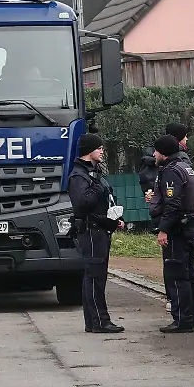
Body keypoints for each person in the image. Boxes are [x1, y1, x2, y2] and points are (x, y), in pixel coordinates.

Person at [67, 134, 125, 334]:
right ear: (88, 150)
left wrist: (113, 219)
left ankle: (95, 321)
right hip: (91, 232)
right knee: (94, 277)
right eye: (98, 148)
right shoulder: (78, 176)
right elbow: (82, 204)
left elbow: (102, 202)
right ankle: (99, 321)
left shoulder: (94, 173)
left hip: (101, 229)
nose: (102, 151)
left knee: (97, 277)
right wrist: (97, 187)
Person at [149, 135, 194, 333]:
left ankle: (182, 320)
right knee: (190, 275)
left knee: (177, 275)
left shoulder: (171, 171)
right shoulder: (185, 167)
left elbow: (173, 204)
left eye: (155, 151)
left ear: (163, 152)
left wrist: (163, 229)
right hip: (190, 226)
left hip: (178, 230)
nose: (154, 155)